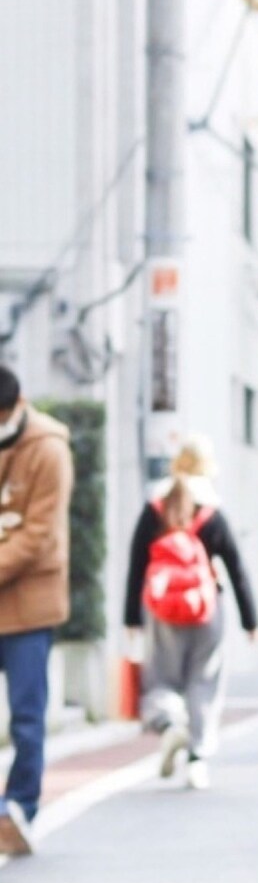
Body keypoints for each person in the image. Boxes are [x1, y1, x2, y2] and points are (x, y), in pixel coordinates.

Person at [124, 436, 258, 790]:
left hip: (161, 612)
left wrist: (131, 619)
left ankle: (170, 726)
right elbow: (237, 568)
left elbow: (137, 565)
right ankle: (197, 759)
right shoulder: (213, 511)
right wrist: (251, 621)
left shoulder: (155, 507)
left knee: (161, 680)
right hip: (207, 611)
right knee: (204, 681)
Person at [0, 366, 74, 857]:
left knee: (27, 717)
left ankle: (19, 809)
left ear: (17, 406)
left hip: (30, 604)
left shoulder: (49, 448)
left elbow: (38, 535)